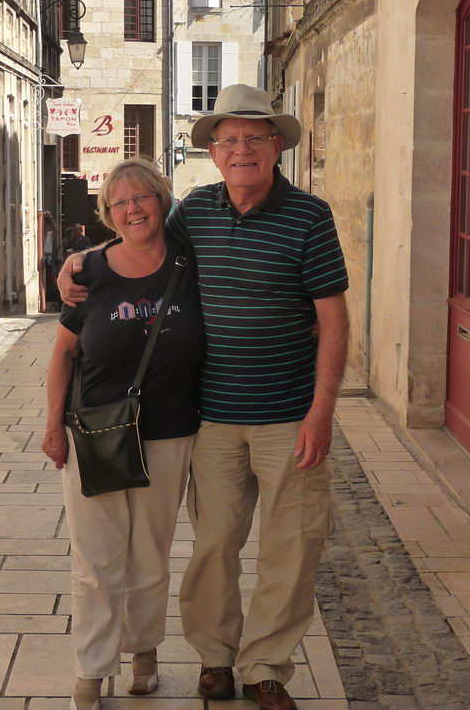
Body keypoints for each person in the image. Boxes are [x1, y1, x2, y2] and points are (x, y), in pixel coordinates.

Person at [57, 84, 349, 710]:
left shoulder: (310, 216)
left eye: (255, 137)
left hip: (290, 416)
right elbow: (136, 238)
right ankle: (215, 658)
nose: (242, 150)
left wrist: (322, 412)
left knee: (291, 548)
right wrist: (81, 261)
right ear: (213, 152)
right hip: (212, 418)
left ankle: (265, 666)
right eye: (229, 140)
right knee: (214, 547)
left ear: (276, 146)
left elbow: (334, 319)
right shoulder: (195, 211)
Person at [42, 158, 205, 710]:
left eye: (142, 197)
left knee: (150, 556)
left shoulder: (190, 261)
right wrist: (52, 427)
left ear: (162, 200)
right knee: (96, 560)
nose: (133, 209)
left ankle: (144, 651)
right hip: (97, 434)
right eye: (120, 203)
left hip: (169, 434)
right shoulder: (88, 272)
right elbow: (62, 356)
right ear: (108, 214)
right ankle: (91, 670)